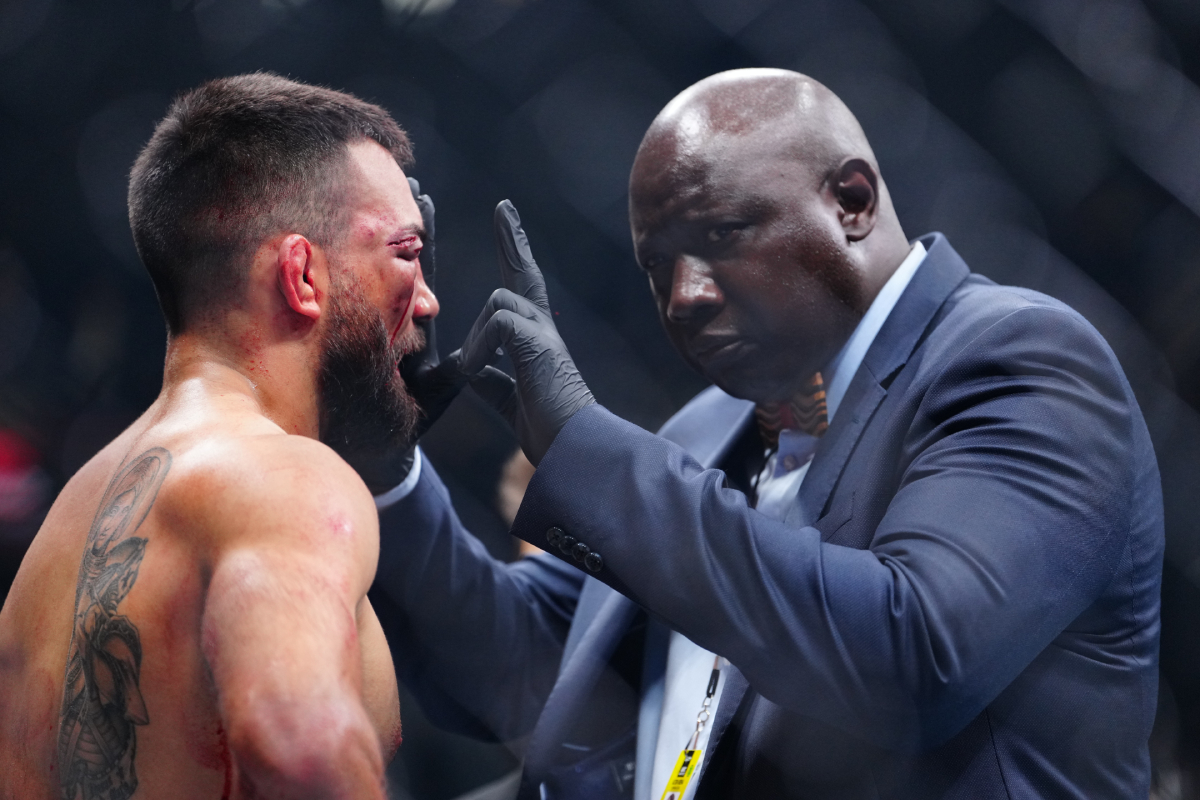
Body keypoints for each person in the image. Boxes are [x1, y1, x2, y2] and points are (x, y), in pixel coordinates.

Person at [371, 68, 1164, 799]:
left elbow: (915, 660)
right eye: (657, 266)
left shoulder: (1018, 360)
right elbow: (523, 665)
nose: (684, 296)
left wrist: (585, 445)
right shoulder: (707, 429)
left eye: (722, 234)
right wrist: (384, 459)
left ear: (852, 201)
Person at [0, 73, 454, 799]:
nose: (426, 299)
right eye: (405, 253)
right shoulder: (284, 478)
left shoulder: (64, 530)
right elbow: (301, 747)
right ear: (301, 276)